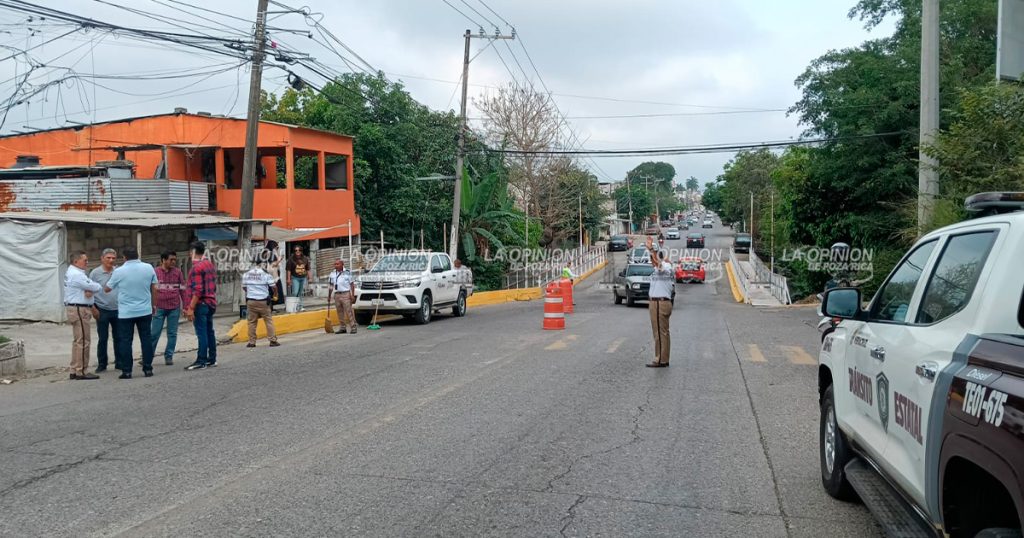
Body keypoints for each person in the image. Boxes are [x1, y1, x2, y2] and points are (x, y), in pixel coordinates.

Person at [105, 247, 158, 379]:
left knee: (125, 341)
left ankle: (127, 371)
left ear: (124, 257)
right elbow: (155, 288)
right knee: (146, 339)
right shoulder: (148, 268)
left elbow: (107, 288)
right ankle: (148, 369)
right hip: (145, 310)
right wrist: (154, 305)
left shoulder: (119, 271)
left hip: (126, 312)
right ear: (137, 255)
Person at [65, 251, 102, 380]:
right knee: (83, 341)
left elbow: (89, 287)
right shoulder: (77, 275)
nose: (87, 262)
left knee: (78, 341)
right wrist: (92, 287)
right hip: (79, 309)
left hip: (76, 307)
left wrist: (89, 288)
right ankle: (82, 371)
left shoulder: (74, 272)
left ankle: (74, 369)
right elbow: (96, 286)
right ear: (76, 262)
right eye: (84, 260)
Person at [183, 241, 218, 370]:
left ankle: (201, 360)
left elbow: (197, 290)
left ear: (192, 252)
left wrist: (190, 307)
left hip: (201, 304)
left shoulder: (196, 267)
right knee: (209, 331)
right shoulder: (209, 264)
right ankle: (212, 358)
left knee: (202, 332)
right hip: (210, 302)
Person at [151, 250, 185, 365]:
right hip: (159, 307)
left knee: (172, 333)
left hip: (174, 307)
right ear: (163, 260)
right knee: (154, 333)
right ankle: (148, 356)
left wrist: (185, 305)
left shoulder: (178, 272)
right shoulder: (155, 272)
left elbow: (182, 289)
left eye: (175, 260)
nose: (173, 262)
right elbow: (150, 289)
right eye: (171, 260)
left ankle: (169, 356)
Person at [89, 248, 120, 373]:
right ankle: (102, 364)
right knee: (103, 338)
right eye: (108, 258)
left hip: (117, 309)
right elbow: (89, 291)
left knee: (119, 337)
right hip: (101, 309)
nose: (111, 260)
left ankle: (120, 362)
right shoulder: (95, 273)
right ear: (102, 258)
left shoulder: (118, 272)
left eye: (113, 258)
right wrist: (93, 308)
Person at [645, 237, 674, 368]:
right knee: (663, 332)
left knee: (659, 332)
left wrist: (651, 249)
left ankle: (660, 359)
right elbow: (655, 264)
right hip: (660, 303)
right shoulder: (660, 270)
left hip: (659, 304)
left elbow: (658, 265)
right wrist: (651, 252)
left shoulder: (666, 268)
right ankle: (664, 358)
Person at [242, 261, 280, 347]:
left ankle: (252, 342)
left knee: (251, 322)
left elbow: (244, 287)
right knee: (268, 321)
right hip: (263, 301)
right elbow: (274, 287)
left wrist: (251, 293)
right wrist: (275, 294)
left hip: (251, 301)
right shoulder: (266, 275)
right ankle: (272, 341)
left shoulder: (246, 274)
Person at [328, 259, 356, 334]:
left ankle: (353, 327)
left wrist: (352, 295)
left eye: (337, 264)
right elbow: (331, 285)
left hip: (345, 294)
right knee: (339, 312)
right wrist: (329, 296)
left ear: (342, 264)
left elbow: (352, 284)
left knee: (348, 311)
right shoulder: (332, 273)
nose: (335, 266)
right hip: (337, 294)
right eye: (335, 264)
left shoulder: (347, 272)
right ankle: (343, 327)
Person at [286, 245, 311, 311]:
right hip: (295, 278)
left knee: (301, 293)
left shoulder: (305, 259)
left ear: (301, 251)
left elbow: (308, 268)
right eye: (296, 250)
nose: (297, 251)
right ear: (294, 251)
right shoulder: (291, 259)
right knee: (295, 292)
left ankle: (300, 306)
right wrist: (288, 279)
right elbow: (288, 270)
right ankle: (293, 306)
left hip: (303, 277)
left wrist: (310, 277)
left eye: (299, 250)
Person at [263, 240, 285, 311]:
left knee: (269, 292)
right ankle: (270, 308)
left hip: (268, 276)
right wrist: (280, 259)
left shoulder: (265, 253)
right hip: (273, 276)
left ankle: (270, 308)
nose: (277, 248)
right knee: (274, 292)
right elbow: (274, 264)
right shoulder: (270, 254)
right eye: (276, 247)